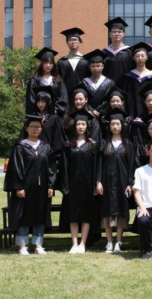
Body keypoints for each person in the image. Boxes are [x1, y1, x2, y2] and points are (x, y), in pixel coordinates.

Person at [4, 115, 57, 256]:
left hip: (42, 188)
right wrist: (18, 187)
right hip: (25, 188)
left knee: (40, 215)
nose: (35, 129)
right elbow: (15, 168)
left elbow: (51, 168)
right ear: (27, 128)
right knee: (23, 216)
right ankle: (22, 246)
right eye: (32, 126)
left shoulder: (46, 147)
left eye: (38, 127)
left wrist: (50, 185)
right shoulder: (20, 147)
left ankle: (38, 245)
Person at [59, 108, 99, 254]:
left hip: (87, 184)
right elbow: (63, 166)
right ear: (74, 126)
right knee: (73, 215)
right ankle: (74, 243)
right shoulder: (68, 144)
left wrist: (96, 183)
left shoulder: (92, 144)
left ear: (87, 126)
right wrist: (64, 184)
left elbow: (96, 166)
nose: (81, 126)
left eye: (83, 124)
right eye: (78, 124)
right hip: (72, 184)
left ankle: (83, 244)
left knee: (86, 214)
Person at [97, 108, 136, 254]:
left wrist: (130, 183)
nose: (115, 126)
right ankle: (109, 242)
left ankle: (118, 242)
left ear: (122, 125)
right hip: (106, 181)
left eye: (117, 124)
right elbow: (99, 164)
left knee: (121, 210)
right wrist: (98, 181)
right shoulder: (103, 143)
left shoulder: (128, 144)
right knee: (106, 210)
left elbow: (131, 165)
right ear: (109, 126)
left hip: (122, 182)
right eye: (112, 124)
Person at [26, 47, 69, 117]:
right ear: (41, 63)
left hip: (55, 115)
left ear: (53, 64)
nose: (48, 65)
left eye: (50, 63)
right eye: (46, 62)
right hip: (39, 115)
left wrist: (55, 109)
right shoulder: (34, 80)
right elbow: (31, 99)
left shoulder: (58, 80)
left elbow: (63, 97)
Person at [119, 42, 152, 118]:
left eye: (142, 56)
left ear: (147, 57)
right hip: (132, 111)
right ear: (133, 58)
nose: (140, 58)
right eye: (137, 56)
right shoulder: (128, 76)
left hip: (149, 109)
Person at [78, 49, 116, 115]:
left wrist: (99, 111)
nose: (95, 68)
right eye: (93, 66)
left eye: (98, 66)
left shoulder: (109, 82)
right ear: (89, 67)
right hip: (88, 114)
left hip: (104, 114)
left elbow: (110, 99)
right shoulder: (83, 82)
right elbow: (82, 98)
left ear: (102, 66)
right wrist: (91, 110)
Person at [57, 27, 90, 97]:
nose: (73, 42)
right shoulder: (61, 61)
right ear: (67, 42)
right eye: (70, 40)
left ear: (79, 42)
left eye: (75, 39)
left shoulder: (86, 61)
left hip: (82, 97)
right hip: (65, 96)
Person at [102, 17, 132, 85]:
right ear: (110, 34)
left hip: (124, 85)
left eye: (119, 32)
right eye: (114, 31)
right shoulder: (104, 52)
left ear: (123, 34)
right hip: (108, 86)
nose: (117, 34)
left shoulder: (129, 51)